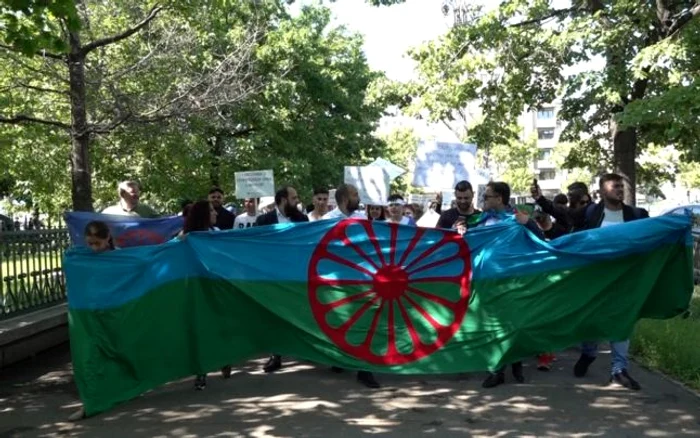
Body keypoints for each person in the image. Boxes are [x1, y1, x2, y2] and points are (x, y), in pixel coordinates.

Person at [573, 173, 649, 390]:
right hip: (595, 280)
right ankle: (588, 354)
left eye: (621, 186)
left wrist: (679, 224)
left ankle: (619, 370)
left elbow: (655, 233)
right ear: (602, 190)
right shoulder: (591, 213)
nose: (620, 189)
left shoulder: (636, 214)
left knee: (622, 321)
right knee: (592, 322)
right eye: (615, 186)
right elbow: (565, 216)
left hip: (624, 280)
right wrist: (540, 202)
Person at [477, 181, 544, 388]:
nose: (483, 200)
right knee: (494, 326)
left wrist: (528, 224)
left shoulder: (517, 218)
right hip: (487, 281)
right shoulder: (483, 219)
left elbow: (540, 238)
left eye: (487, 196)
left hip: (513, 281)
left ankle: (511, 365)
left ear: (499, 198)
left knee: (513, 324)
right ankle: (501, 368)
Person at [255, 186, 309, 374]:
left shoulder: (302, 219)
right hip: (271, 276)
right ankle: (275, 355)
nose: (297, 200)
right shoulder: (263, 221)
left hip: (294, 276)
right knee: (274, 315)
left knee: (297, 312)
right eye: (294, 197)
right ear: (283, 200)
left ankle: (303, 349)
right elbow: (255, 247)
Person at [180, 200, 232, 389]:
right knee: (201, 331)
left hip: (217, 288)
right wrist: (182, 242)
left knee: (219, 327)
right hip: (197, 291)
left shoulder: (217, 234)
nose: (216, 213)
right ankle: (201, 372)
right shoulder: (186, 238)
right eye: (211, 210)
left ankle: (225, 359)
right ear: (202, 214)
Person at [69, 221, 117, 421]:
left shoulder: (121, 258)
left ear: (108, 238)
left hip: (113, 315)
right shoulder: (82, 257)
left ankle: (114, 392)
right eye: (90, 243)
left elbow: (149, 260)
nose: (94, 248)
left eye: (97, 243)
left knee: (112, 355)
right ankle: (89, 403)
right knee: (88, 358)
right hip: (89, 317)